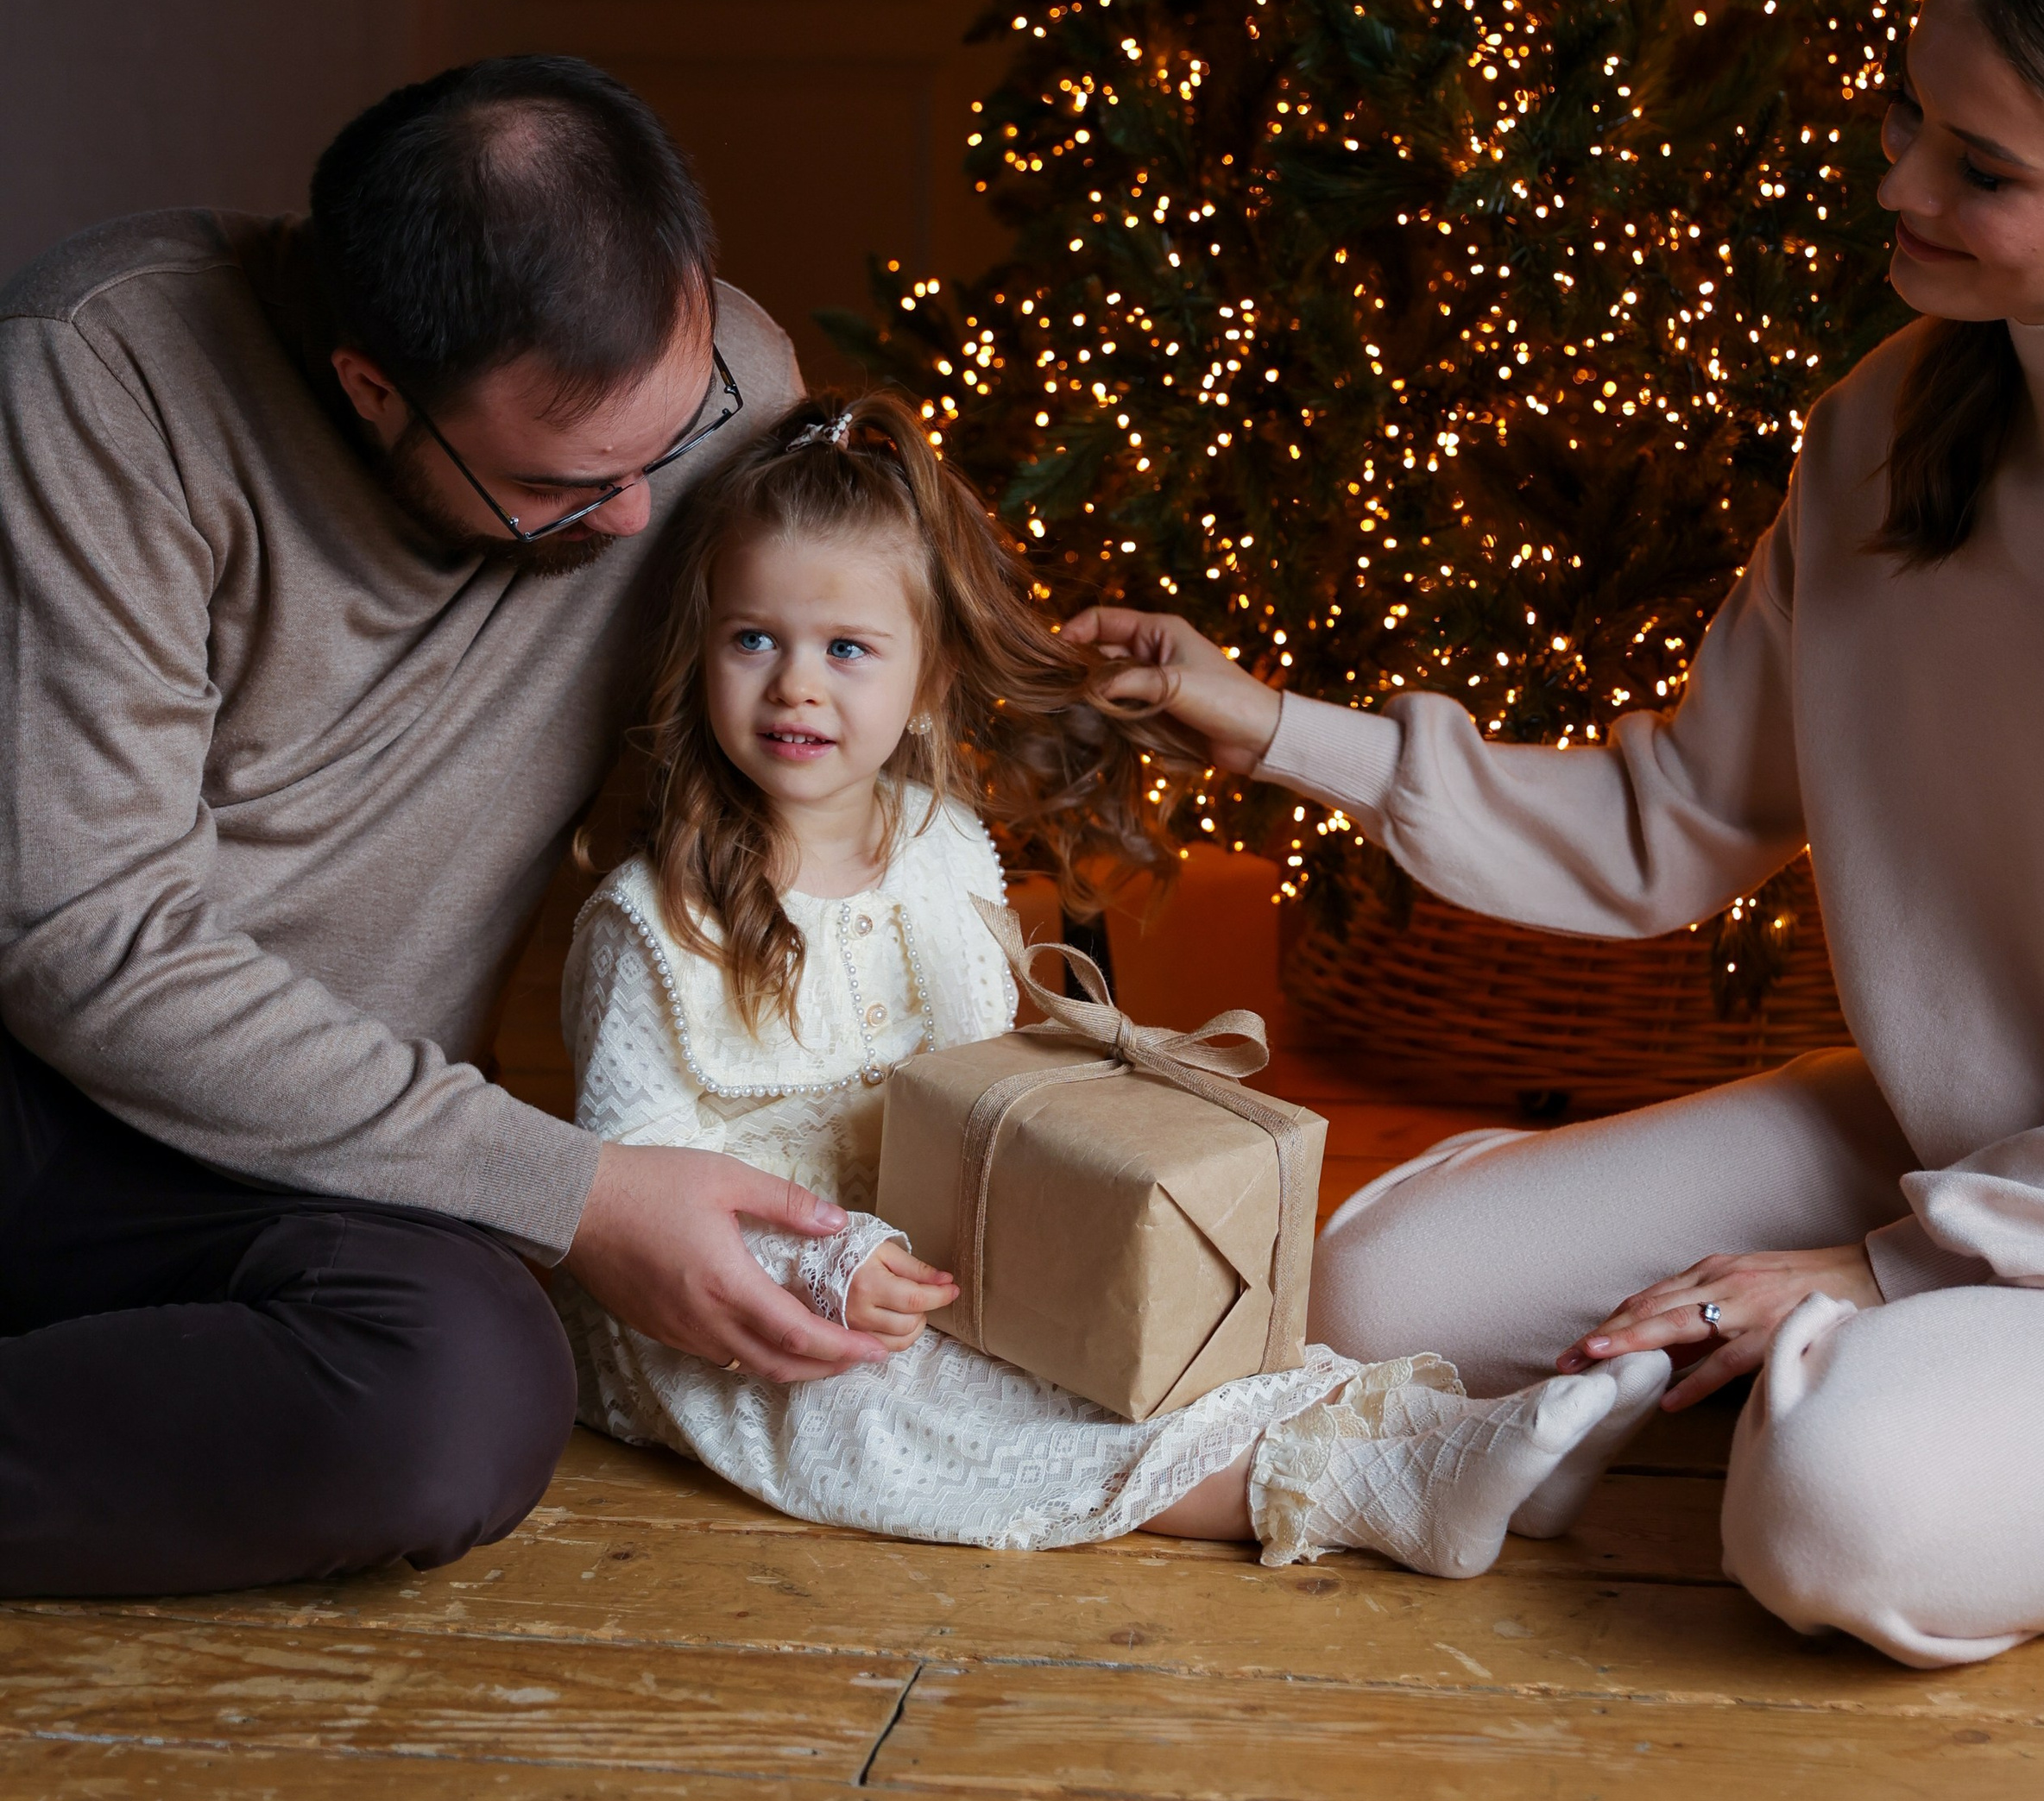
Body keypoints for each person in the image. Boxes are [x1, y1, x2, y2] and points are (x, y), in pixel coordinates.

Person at [1073, 0, 2044, 1669]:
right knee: (1376, 1287)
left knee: (1831, 1505)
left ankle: (1895, 1382)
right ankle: (1890, 1360)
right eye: (1909, 121)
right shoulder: (1886, 429)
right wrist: (1269, 725)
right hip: (1982, 1137)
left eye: (1981, 169)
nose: (1899, 188)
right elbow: (1669, 824)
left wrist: (1886, 1269)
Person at [0, 54, 889, 1602]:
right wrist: (579, 1194)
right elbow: (88, 944)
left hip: (330, 1150)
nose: (641, 515)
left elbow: (787, 757)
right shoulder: (100, 372)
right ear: (372, 389)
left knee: (462, 1403)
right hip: (43, 1084)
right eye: (568, 482)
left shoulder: (728, 390)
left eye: (666, 442)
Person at [555, 387, 1671, 1570]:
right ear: (703, 650)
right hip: (750, 1318)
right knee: (959, 1420)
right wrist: (820, 1268)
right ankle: (1373, 1490)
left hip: (945, 1248)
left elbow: (980, 1072)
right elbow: (627, 1187)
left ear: (926, 683)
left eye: (846, 649)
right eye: (753, 640)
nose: (795, 685)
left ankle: (1455, 1436)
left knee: (1148, 1336)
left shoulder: (942, 846)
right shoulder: (655, 920)